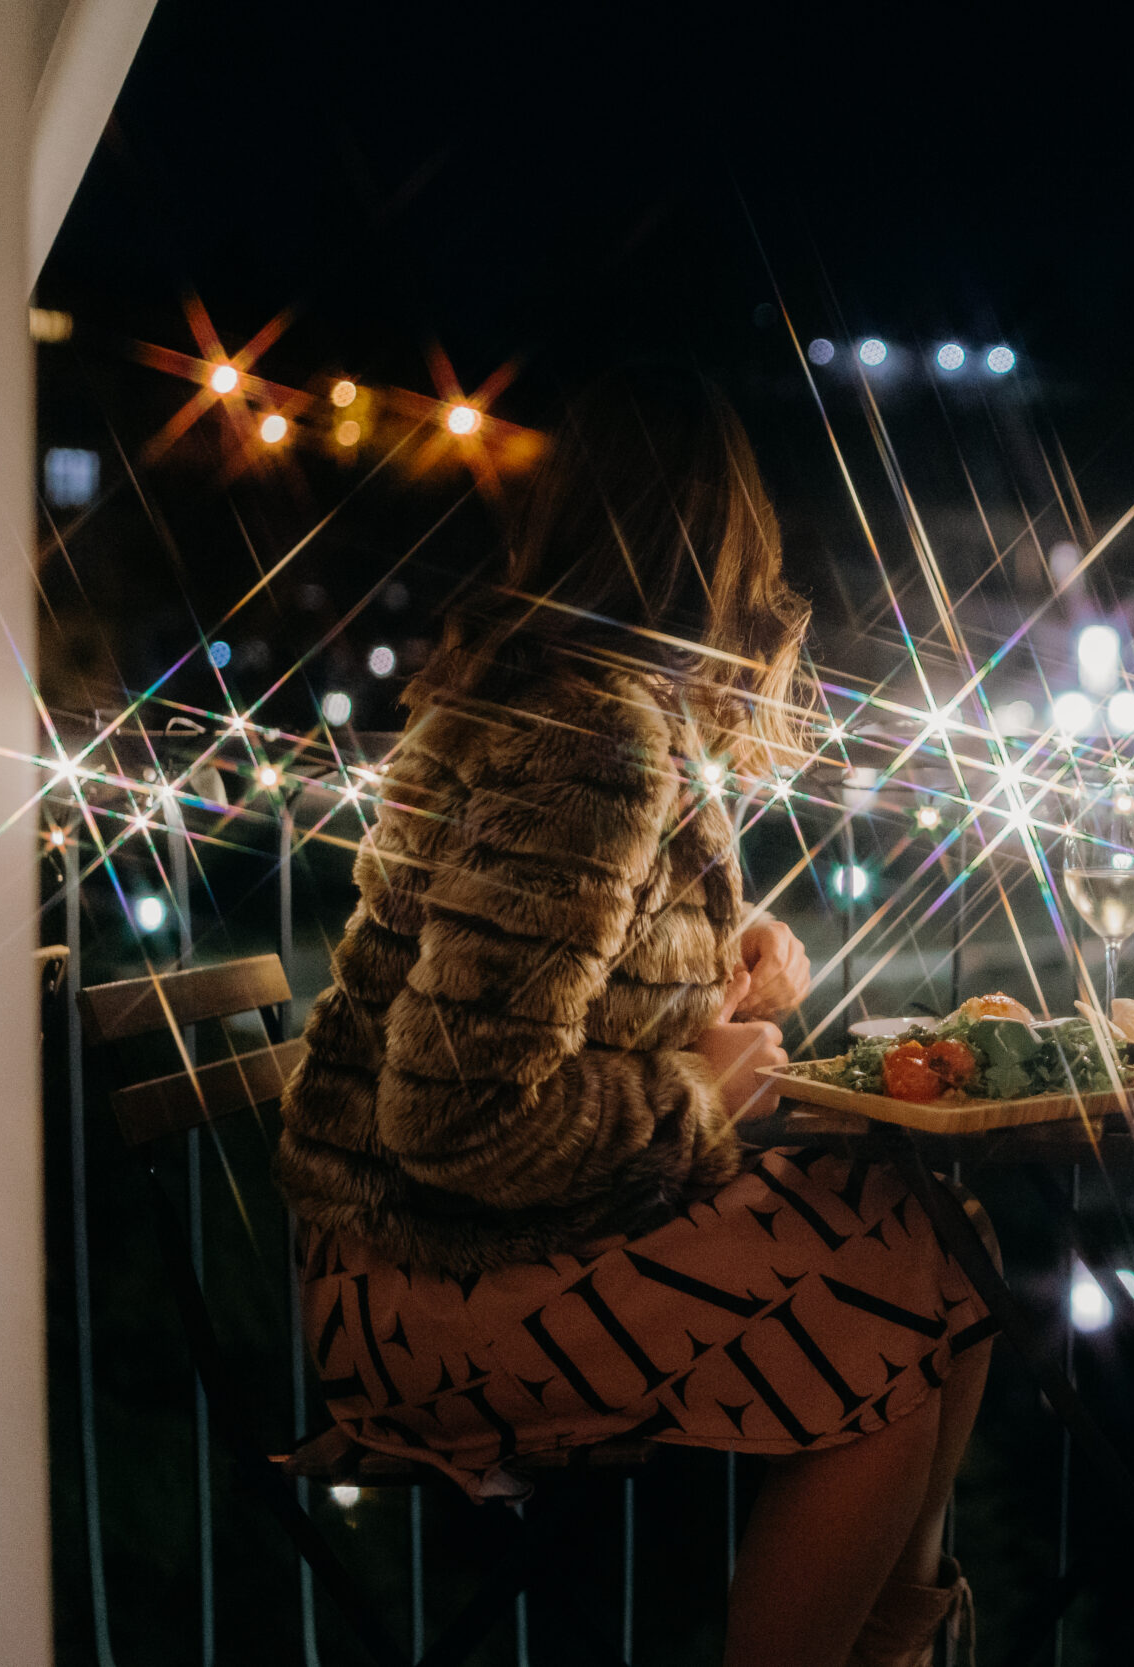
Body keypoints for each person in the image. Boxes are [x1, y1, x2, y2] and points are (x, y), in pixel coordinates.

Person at [274, 374, 991, 1667]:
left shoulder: (573, 703)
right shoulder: (592, 737)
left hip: (450, 1250)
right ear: (725, 545)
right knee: (902, 1295)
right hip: (420, 1293)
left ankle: (878, 1651)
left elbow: (546, 974)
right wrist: (700, 1094)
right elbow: (457, 1115)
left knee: (945, 1237)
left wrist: (720, 961)